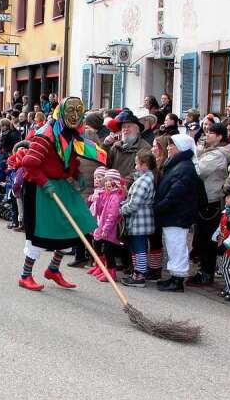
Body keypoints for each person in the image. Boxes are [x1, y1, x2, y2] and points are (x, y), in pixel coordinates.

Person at [17, 97, 106, 291]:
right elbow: (30, 164)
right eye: (70, 112)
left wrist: (76, 173)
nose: (74, 116)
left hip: (60, 184)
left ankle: (53, 270)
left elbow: (70, 158)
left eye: (78, 112)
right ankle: (25, 275)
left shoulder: (72, 134)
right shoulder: (45, 134)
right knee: (39, 233)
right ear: (61, 113)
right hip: (39, 186)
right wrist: (45, 184)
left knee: (73, 226)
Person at [154, 133, 202, 292]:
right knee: (173, 245)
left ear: (181, 147)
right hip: (173, 214)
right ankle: (174, 276)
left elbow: (176, 193)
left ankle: (178, 279)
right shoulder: (177, 165)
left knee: (177, 246)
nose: (168, 148)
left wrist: (160, 206)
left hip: (178, 214)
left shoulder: (184, 168)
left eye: (171, 145)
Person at [191, 123, 230, 286]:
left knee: (208, 240)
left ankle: (207, 273)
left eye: (211, 133)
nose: (206, 135)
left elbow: (199, 170)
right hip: (206, 199)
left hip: (211, 201)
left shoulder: (218, 155)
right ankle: (204, 270)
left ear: (220, 137)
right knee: (202, 238)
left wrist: (194, 155)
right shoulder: (212, 151)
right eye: (206, 132)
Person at [118, 151, 157, 287]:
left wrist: (120, 210)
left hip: (140, 219)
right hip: (140, 218)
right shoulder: (147, 178)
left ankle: (140, 275)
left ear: (144, 165)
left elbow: (134, 203)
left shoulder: (144, 181)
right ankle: (137, 272)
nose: (135, 167)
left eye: (137, 163)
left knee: (139, 247)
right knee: (136, 246)